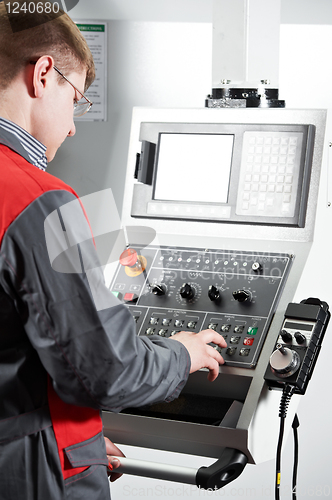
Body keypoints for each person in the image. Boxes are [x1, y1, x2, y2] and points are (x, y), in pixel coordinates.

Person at [0, 2, 227, 499]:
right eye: (76, 98)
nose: (74, 125)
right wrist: (182, 353)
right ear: (42, 75)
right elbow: (106, 370)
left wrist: (65, 439)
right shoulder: (41, 202)